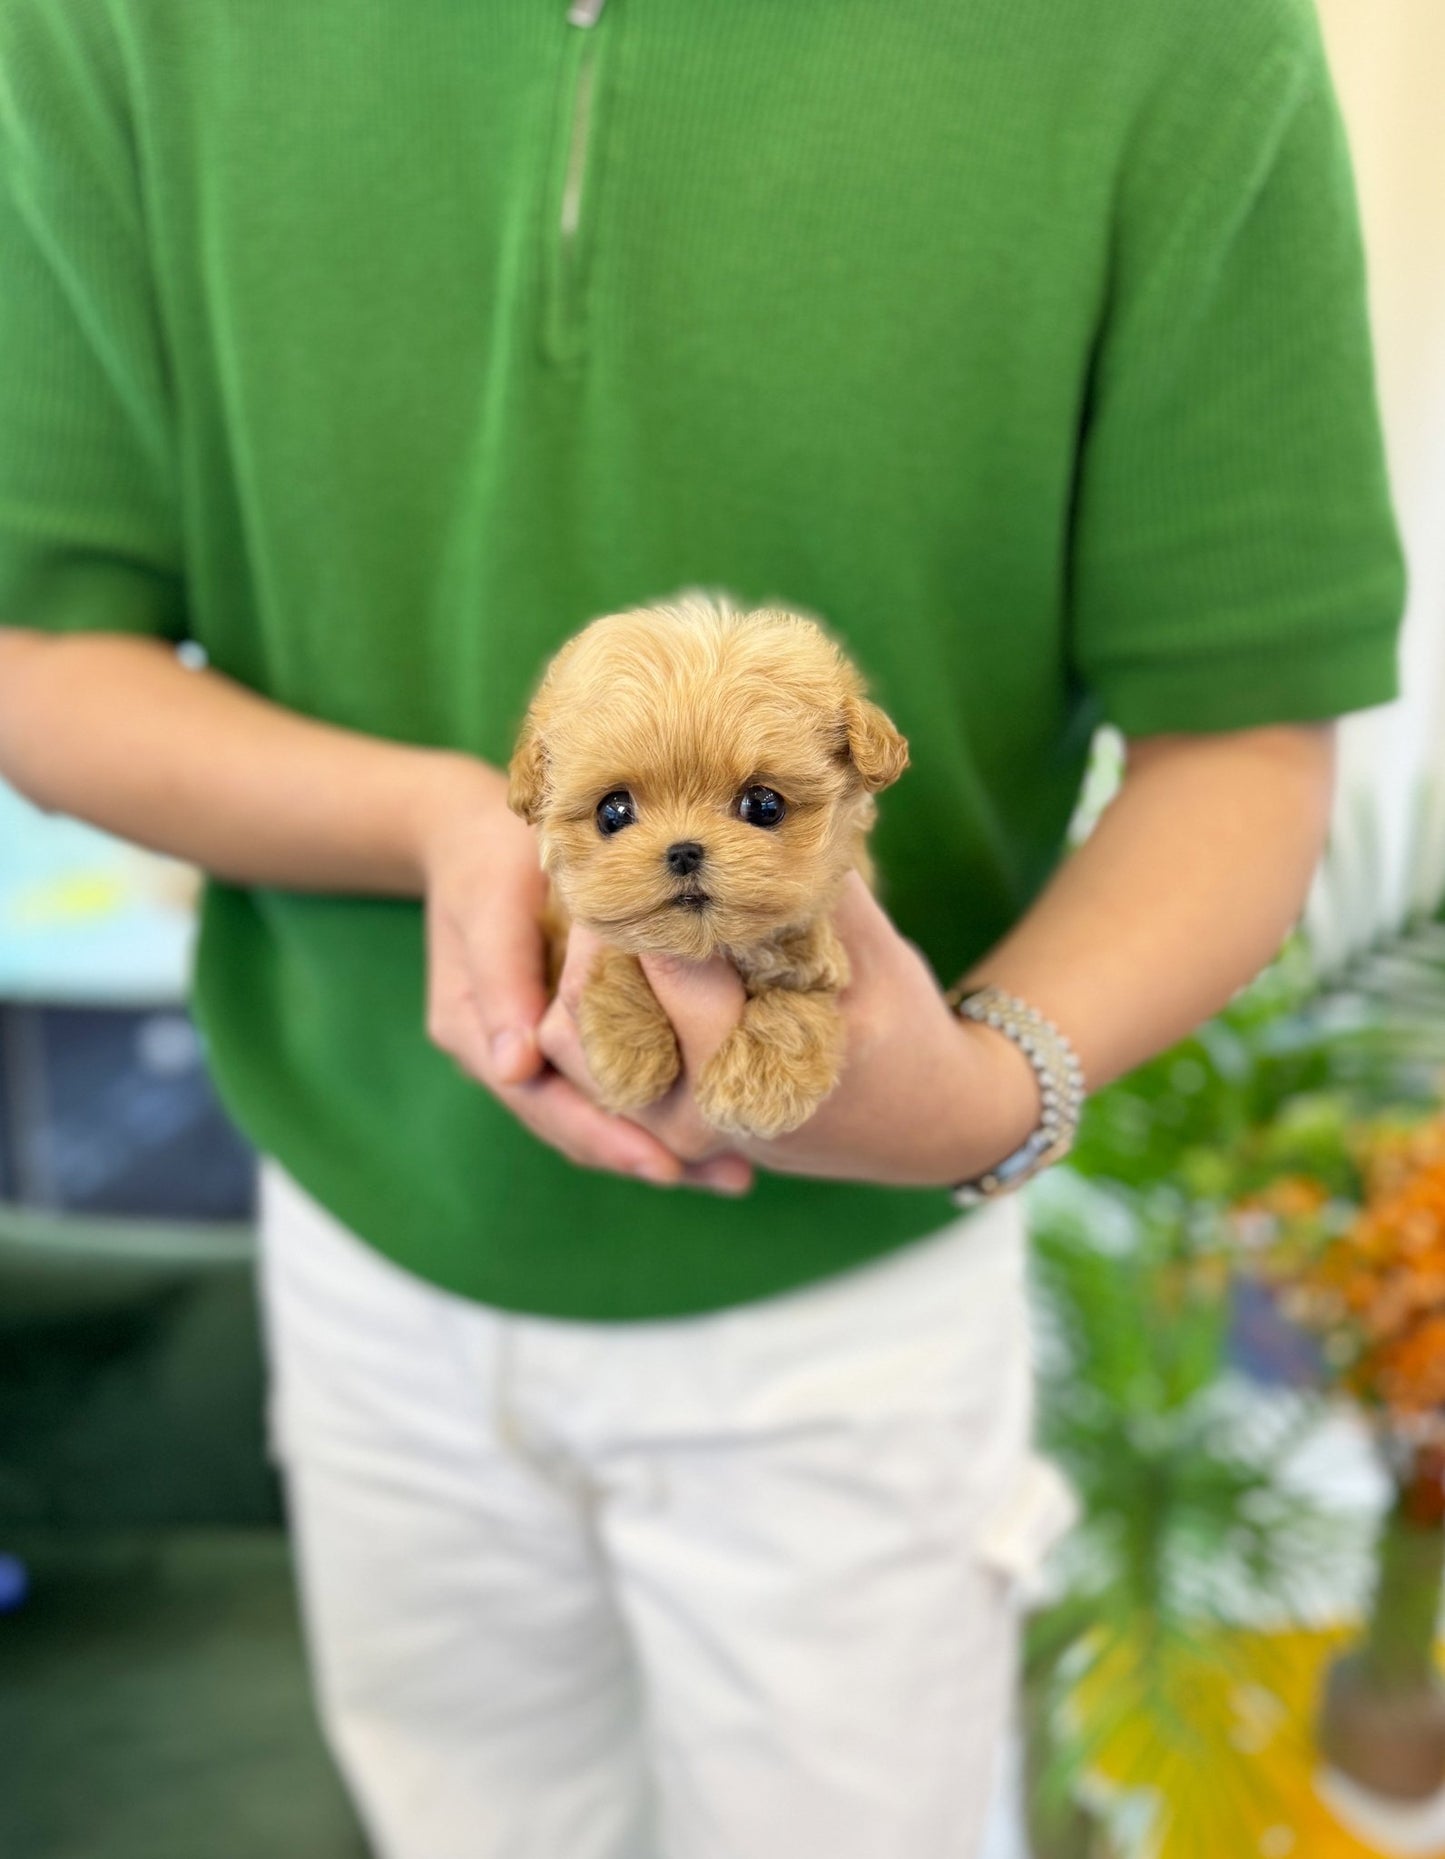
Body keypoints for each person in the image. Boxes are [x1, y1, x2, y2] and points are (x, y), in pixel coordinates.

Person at [0, 2, 1406, 1855]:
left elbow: (1241, 737)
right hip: (362, 1249)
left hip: (852, 1311)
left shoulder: (1166, 41)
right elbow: (39, 644)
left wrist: (983, 1092)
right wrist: (438, 825)